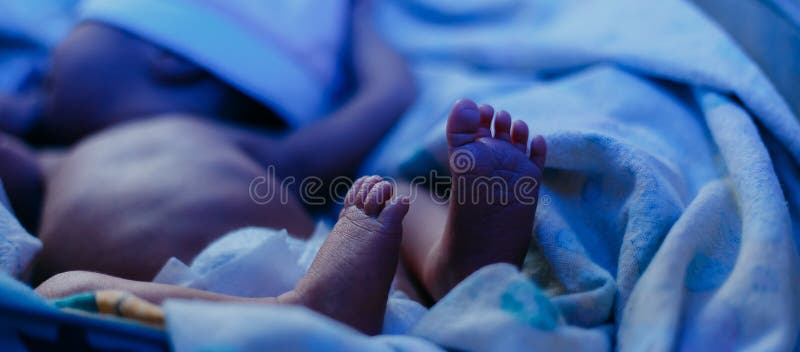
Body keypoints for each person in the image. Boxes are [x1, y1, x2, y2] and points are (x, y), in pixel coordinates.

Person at [37, 99, 548, 335]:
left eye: (54, 80)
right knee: (56, 298)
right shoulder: (39, 160)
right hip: (207, 310)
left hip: (349, 270)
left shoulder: (236, 136)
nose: (44, 86)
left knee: (394, 193)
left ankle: (456, 266)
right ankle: (301, 309)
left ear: (170, 63)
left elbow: (377, 101)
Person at [0, 0, 415, 280]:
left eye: (44, 79)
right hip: (165, 303)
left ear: (172, 60)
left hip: (289, 281)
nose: (33, 73)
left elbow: (390, 92)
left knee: (402, 206)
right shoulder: (52, 165)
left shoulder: (268, 158)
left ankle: (440, 262)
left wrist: (360, 14)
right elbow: (389, 89)